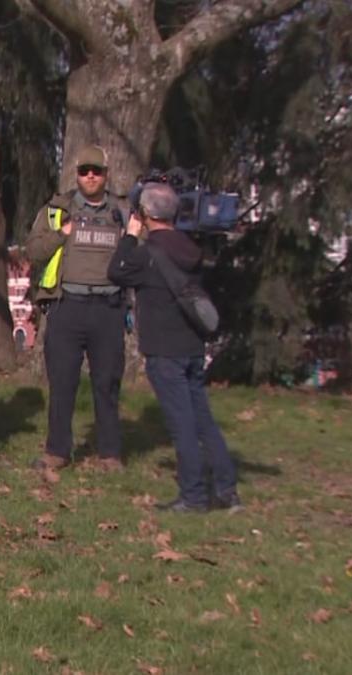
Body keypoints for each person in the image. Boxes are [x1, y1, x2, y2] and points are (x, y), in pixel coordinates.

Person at [107, 182, 241, 513]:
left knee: (181, 425)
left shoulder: (147, 253)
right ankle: (226, 490)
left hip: (164, 349)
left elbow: (116, 271)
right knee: (203, 420)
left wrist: (128, 234)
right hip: (193, 346)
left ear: (147, 214)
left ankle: (193, 496)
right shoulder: (189, 249)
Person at [26, 144, 128, 472]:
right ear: (77, 174)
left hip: (108, 308)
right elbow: (34, 251)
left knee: (107, 383)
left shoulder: (122, 211)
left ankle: (110, 454)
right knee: (62, 382)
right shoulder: (57, 210)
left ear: (106, 175)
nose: (90, 176)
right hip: (67, 307)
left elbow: (139, 255)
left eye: (96, 171)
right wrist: (61, 233)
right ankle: (57, 451)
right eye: (84, 171)